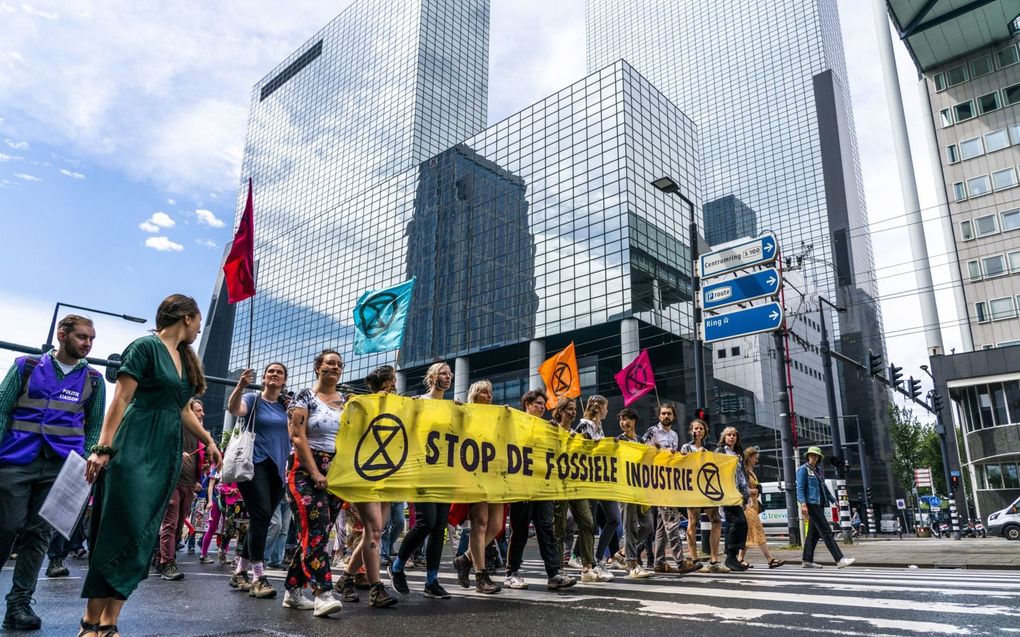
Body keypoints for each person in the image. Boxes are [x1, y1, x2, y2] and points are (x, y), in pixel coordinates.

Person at [80, 294, 222, 637]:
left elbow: (182, 409)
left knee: (143, 534)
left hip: (166, 450)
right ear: (186, 317)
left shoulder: (186, 358)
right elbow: (122, 398)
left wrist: (209, 441)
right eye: (199, 320)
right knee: (118, 528)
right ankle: (89, 622)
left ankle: (110, 623)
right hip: (134, 443)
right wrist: (103, 448)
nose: (201, 327)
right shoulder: (144, 347)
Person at [0, 315, 105, 631]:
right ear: (62, 335)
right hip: (16, 459)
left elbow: (96, 424)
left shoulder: (95, 380)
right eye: (82, 337)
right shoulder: (26, 366)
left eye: (91, 339)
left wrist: (85, 456)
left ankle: (18, 605)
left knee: (39, 535)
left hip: (64, 467)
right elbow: (2, 410)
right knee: (6, 527)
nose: (87, 344)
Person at [283, 350, 354, 616]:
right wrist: (315, 473)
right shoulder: (304, 397)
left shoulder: (346, 401)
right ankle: (323, 593)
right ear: (318, 368)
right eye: (329, 363)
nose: (334, 367)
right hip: (305, 470)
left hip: (334, 473)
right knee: (315, 532)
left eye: (338, 364)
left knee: (318, 535)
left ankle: (292, 591)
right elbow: (297, 436)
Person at [389, 362, 454, 600]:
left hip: (445, 471)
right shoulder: (418, 401)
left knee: (439, 527)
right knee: (426, 522)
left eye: (449, 374)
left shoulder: (451, 407)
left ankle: (432, 580)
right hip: (421, 469)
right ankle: (397, 567)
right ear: (432, 377)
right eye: (443, 373)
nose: (447, 377)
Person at [226, 362, 292, 599]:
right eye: (270, 372)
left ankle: (240, 572)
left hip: (278, 468)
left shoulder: (287, 406)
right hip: (253, 465)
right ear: (264, 378)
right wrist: (240, 387)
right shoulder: (254, 399)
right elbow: (234, 409)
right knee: (262, 515)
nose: (274, 375)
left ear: (284, 380)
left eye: (279, 373)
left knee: (260, 519)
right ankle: (258, 577)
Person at [336, 365, 398, 607]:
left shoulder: (398, 407)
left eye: (393, 381)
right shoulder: (362, 404)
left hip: (388, 474)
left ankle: (346, 578)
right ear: (382, 384)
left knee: (376, 531)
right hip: (365, 473)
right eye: (391, 381)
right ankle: (376, 588)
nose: (393, 385)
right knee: (372, 531)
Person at [504, 390, 576, 591]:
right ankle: (512, 573)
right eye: (537, 403)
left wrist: (555, 432)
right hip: (522, 486)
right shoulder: (516, 424)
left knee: (546, 529)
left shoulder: (547, 427)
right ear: (526, 404)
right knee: (520, 531)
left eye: (543, 404)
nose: (542, 407)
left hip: (542, 488)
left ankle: (554, 574)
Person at [451, 380, 503, 594]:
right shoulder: (466, 414)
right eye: (484, 391)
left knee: (497, 525)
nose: (489, 395)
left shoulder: (498, 417)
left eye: (490, 391)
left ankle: (465, 559)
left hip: (495, 474)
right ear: (474, 394)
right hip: (474, 472)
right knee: (480, 522)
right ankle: (481, 576)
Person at [550, 396, 605, 583]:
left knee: (588, 522)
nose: (573, 412)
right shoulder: (552, 428)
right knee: (559, 527)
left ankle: (587, 567)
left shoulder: (576, 432)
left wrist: (587, 445)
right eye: (569, 409)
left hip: (575, 485)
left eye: (574, 409)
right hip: (558, 485)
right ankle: (557, 569)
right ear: (560, 411)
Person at [641, 403, 696, 574]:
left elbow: (672, 457)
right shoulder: (652, 431)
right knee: (672, 522)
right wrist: (657, 451)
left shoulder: (674, 435)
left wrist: (680, 455)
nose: (666, 416)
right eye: (663, 413)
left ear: (673, 417)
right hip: (658, 482)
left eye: (669, 414)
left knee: (661, 526)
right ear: (659, 416)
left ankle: (659, 562)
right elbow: (641, 451)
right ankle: (680, 561)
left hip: (670, 481)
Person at [155, 398, 206, 581]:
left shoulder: (200, 434)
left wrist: (202, 474)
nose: (202, 414)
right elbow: (161, 444)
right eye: (198, 410)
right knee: (171, 522)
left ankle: (159, 554)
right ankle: (167, 563)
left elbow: (202, 458)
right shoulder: (176, 425)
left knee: (178, 526)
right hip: (173, 481)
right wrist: (177, 451)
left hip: (190, 484)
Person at [574, 395, 621, 577]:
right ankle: (585, 558)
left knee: (614, 519)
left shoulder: (599, 427)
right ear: (599, 407)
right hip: (590, 480)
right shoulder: (584, 424)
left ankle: (599, 557)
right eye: (606, 407)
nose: (607, 411)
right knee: (590, 523)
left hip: (603, 480)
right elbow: (576, 447)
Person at [797, 446, 855, 569]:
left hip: (820, 504)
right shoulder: (803, 469)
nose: (813, 457)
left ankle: (807, 560)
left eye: (815, 455)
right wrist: (803, 504)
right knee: (826, 531)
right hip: (811, 504)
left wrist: (834, 501)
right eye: (811, 455)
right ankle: (839, 559)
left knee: (813, 534)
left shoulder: (818, 471)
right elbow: (800, 488)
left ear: (818, 458)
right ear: (808, 456)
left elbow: (825, 489)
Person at [681, 418, 725, 573]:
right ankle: (694, 560)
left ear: (705, 431)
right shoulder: (686, 447)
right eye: (695, 428)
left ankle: (714, 560)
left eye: (701, 429)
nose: (698, 431)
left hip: (707, 489)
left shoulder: (709, 448)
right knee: (692, 522)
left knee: (716, 521)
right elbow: (682, 464)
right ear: (691, 431)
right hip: (693, 489)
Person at [616, 408, 653, 579]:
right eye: (621, 420)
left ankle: (623, 552)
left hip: (641, 489)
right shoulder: (618, 441)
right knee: (629, 526)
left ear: (634, 421)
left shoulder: (641, 441)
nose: (623, 423)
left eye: (626, 419)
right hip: (625, 489)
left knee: (647, 526)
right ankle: (631, 563)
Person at [738, 447, 784, 569]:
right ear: (749, 457)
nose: (756, 461)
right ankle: (770, 559)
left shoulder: (750, 470)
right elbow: (741, 490)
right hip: (747, 506)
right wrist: (755, 490)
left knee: (748, 533)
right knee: (759, 531)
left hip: (753, 505)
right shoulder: (743, 472)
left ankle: (740, 559)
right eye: (755, 458)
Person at [716, 426, 750, 572]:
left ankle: (733, 557)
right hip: (726, 493)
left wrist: (745, 493)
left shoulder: (738, 454)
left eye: (734, 435)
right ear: (724, 437)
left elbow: (741, 476)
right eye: (729, 435)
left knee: (738, 524)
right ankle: (730, 557)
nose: (731, 437)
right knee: (738, 522)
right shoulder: (720, 452)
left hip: (737, 494)